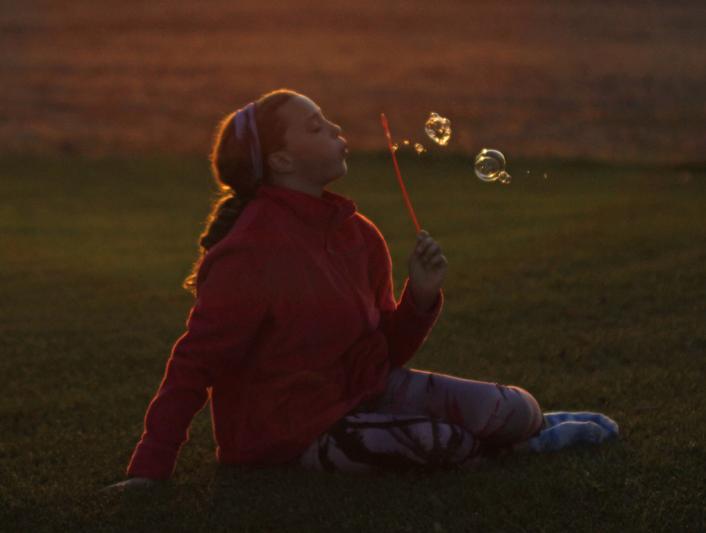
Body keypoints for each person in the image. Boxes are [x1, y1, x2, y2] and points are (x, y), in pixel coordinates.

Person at [101, 88, 618, 492]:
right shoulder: (248, 253)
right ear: (281, 162)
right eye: (316, 126)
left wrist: (419, 296)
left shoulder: (358, 234)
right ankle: (517, 446)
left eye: (328, 120)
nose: (336, 129)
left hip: (365, 391)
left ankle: (527, 426)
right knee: (444, 441)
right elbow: (194, 365)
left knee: (516, 407)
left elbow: (385, 351)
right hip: (288, 435)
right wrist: (152, 464)